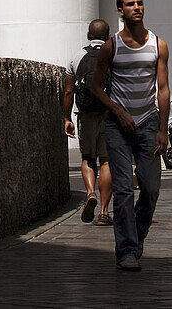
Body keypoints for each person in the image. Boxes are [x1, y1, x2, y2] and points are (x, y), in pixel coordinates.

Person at [91, 0, 170, 272]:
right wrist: (118, 111)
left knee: (150, 189)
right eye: (129, 4)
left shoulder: (158, 44)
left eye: (139, 2)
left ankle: (136, 236)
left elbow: (163, 89)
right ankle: (125, 249)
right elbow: (95, 87)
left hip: (149, 122)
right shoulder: (111, 46)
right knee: (123, 189)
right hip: (118, 125)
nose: (136, 7)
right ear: (120, 11)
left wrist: (163, 128)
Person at [63, 19, 113, 226]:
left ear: (88, 35)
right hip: (109, 114)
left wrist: (66, 118)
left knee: (87, 158)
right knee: (107, 161)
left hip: (85, 114)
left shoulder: (77, 56)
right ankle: (103, 212)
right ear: (108, 36)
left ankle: (90, 192)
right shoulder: (114, 55)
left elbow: (68, 90)